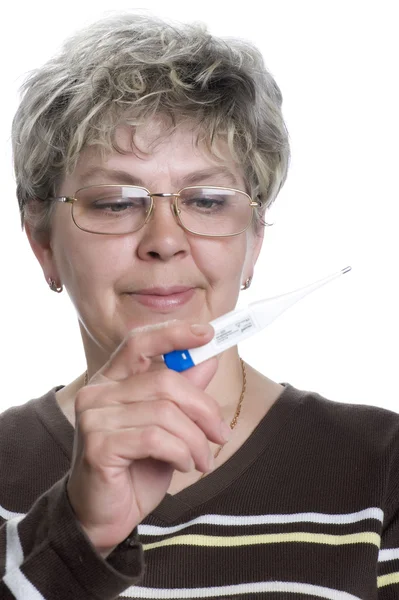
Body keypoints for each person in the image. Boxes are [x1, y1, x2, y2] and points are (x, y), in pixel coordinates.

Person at [1, 12, 398, 600]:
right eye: (115, 203)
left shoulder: (383, 469)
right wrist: (79, 535)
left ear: (254, 236)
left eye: (208, 201)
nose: (165, 239)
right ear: (42, 241)